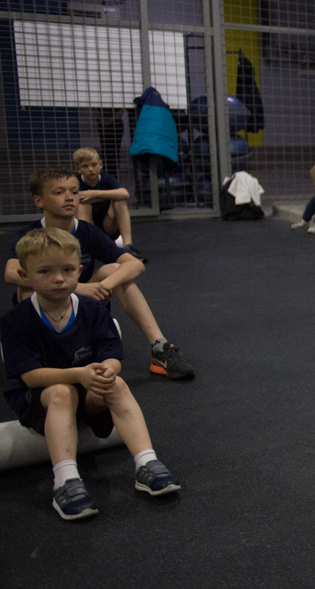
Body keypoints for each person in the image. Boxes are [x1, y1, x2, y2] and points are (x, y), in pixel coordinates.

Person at [1, 228, 180, 521]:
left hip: (87, 391)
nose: (59, 279)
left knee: (116, 383)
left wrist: (106, 371)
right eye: (45, 271)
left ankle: (147, 462)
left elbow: (112, 356)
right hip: (40, 399)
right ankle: (66, 480)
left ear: (80, 271)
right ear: (25, 276)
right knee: (62, 391)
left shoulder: (93, 310)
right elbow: (31, 377)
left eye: (67, 270)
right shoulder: (15, 321)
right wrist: (79, 374)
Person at [5, 168, 195, 380]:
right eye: (59, 192)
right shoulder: (29, 235)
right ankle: (37, 352)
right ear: (39, 200)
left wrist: (104, 285)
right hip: (49, 303)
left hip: (80, 304)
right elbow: (11, 273)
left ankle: (159, 347)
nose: (69, 197)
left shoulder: (87, 231)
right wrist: (80, 288)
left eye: (74, 192)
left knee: (114, 270)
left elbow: (135, 265)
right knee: (26, 286)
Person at [73, 147, 147, 263]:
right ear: (78, 169)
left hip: (107, 226)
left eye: (94, 165)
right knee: (82, 203)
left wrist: (93, 194)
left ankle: (128, 247)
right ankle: (85, 247)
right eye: (85, 166)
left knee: (120, 200)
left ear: (100, 164)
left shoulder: (107, 179)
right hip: (88, 226)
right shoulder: (75, 182)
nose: (91, 169)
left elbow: (124, 193)